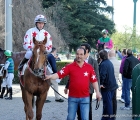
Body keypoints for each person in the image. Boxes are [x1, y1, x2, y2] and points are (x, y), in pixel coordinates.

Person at [44, 47, 101, 120]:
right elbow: (58, 74)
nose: (79, 56)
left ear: (84, 55)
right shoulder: (69, 67)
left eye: (81, 54)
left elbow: (94, 81)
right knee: (70, 118)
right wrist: (50, 76)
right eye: (77, 54)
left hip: (85, 98)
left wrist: (98, 92)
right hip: (73, 97)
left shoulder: (89, 67)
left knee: (85, 118)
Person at [64, 43, 100, 120]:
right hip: (75, 92)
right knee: (77, 111)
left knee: (87, 111)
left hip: (88, 90)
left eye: (82, 49)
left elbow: (96, 77)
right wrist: (67, 86)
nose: (79, 53)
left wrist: (98, 91)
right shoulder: (76, 60)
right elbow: (71, 75)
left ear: (86, 50)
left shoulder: (93, 62)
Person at [99, 50, 118, 120]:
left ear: (100, 56)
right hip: (112, 85)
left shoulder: (104, 64)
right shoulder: (109, 62)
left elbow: (102, 75)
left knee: (107, 104)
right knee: (108, 103)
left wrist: (101, 83)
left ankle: (109, 118)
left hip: (107, 87)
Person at [108, 50, 120, 120]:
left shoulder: (109, 62)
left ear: (109, 54)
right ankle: (114, 114)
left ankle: (109, 114)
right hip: (115, 83)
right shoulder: (118, 62)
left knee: (109, 99)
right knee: (114, 99)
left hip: (110, 83)